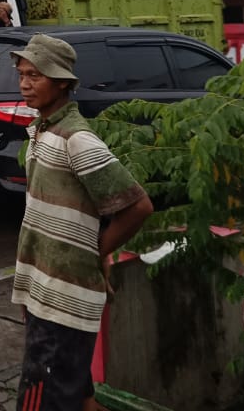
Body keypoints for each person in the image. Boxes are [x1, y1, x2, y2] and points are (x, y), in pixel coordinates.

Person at [10, 34, 153, 411]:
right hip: (45, 289)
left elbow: (138, 206)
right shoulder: (43, 129)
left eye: (35, 75)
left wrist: (97, 251)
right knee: (80, 398)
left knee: (40, 402)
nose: (25, 83)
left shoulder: (77, 139)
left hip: (63, 298)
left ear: (62, 83)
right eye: (22, 74)